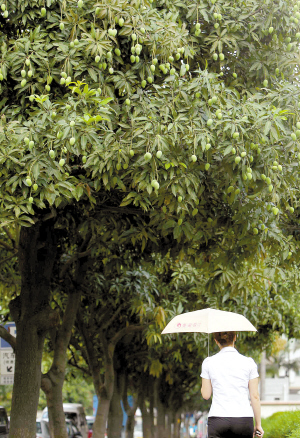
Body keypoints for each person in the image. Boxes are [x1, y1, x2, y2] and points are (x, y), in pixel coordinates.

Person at [200, 331, 264, 438]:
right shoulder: (249, 362)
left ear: (216, 341)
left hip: (217, 420)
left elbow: (206, 395)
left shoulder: (208, 362)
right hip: (243, 420)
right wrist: (258, 425)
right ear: (235, 337)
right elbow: (255, 396)